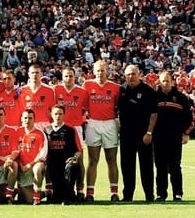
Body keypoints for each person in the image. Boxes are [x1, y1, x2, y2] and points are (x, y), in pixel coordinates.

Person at [82, 60, 121, 202]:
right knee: (93, 160)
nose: (100, 73)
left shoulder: (116, 88)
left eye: (102, 70)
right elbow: (84, 105)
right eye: (97, 70)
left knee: (111, 159)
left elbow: (118, 106)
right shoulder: (87, 85)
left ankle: (114, 192)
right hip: (93, 123)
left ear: (108, 72)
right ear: (93, 71)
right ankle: (90, 193)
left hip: (110, 123)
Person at [118, 64, 157, 202]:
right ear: (125, 76)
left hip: (143, 135)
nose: (131, 77)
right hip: (126, 135)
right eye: (128, 74)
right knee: (127, 166)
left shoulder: (148, 91)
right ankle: (127, 195)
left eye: (133, 74)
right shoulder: (121, 90)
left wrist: (149, 132)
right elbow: (116, 110)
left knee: (146, 166)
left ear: (139, 74)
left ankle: (149, 195)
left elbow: (154, 114)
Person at [153, 70, 193, 201]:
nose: (165, 83)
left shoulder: (181, 98)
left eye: (167, 81)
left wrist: (186, 133)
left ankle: (178, 193)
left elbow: (189, 118)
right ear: (159, 81)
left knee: (175, 166)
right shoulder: (154, 97)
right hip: (158, 138)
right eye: (163, 81)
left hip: (175, 138)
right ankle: (161, 194)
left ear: (172, 82)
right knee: (160, 167)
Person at [54, 67, 89, 200]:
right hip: (59, 127)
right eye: (66, 76)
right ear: (62, 77)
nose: (68, 79)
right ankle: (52, 189)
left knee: (79, 160)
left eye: (71, 76)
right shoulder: (56, 90)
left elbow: (86, 109)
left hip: (76, 128)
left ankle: (80, 189)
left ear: (75, 77)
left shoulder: (82, 92)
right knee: (55, 158)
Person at [44, 105, 83, 204]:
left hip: (67, 163)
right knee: (57, 195)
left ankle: (69, 196)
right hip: (53, 164)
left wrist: (74, 158)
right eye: (56, 114)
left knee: (71, 166)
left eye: (60, 114)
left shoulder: (70, 130)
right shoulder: (46, 130)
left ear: (64, 115)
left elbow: (79, 150)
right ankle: (54, 194)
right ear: (51, 115)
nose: (58, 116)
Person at [14, 109, 48, 205]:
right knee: (28, 200)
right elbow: (14, 152)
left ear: (34, 120)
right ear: (21, 119)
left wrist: (29, 165)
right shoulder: (16, 132)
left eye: (30, 118)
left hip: (34, 165)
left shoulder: (40, 134)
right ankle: (45, 193)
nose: (27, 120)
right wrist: (21, 164)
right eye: (25, 118)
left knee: (38, 168)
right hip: (22, 167)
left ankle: (37, 195)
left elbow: (42, 155)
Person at [18, 64, 55, 130]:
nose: (35, 75)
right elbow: (20, 110)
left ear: (41, 74)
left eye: (37, 72)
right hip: (27, 123)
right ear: (29, 74)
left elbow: (53, 110)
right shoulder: (22, 90)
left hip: (44, 124)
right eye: (32, 73)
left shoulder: (49, 90)